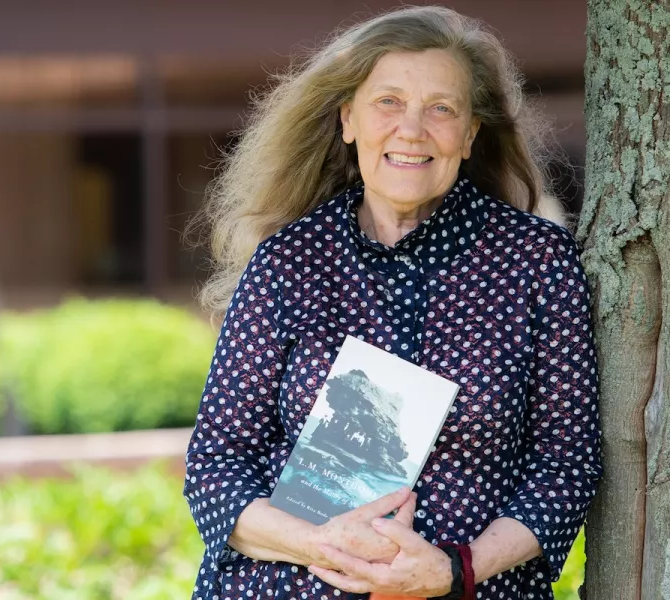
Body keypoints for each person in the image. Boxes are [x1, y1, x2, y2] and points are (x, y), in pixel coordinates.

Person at [183, 5, 602, 600]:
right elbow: (216, 467)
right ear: (347, 119)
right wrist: (327, 547)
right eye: (388, 102)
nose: (412, 129)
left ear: (470, 132)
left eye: (441, 108)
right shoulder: (288, 262)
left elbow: (566, 466)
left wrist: (453, 570)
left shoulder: (538, 262)